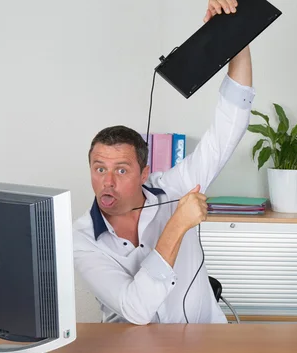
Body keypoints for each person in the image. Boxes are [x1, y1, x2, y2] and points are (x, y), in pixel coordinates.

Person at [73, 0, 254, 325]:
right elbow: (136, 310)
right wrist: (177, 225)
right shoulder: (83, 239)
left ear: (145, 172)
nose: (107, 182)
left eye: (121, 170)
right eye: (100, 169)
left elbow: (231, 126)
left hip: (205, 349)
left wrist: (233, 34)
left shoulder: (174, 187)